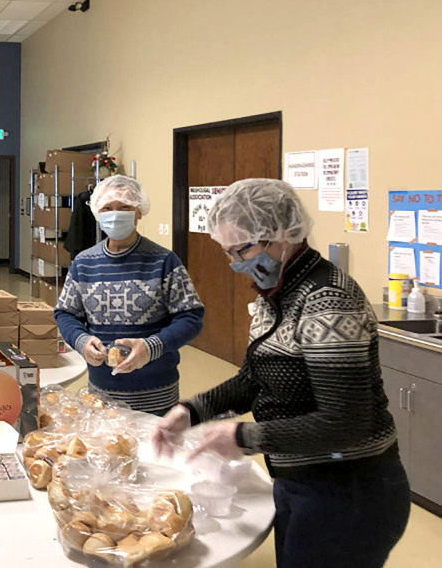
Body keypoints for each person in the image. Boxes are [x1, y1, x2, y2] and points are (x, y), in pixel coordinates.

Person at [153, 178, 410, 567]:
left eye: (241, 250)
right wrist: (190, 411)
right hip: (301, 479)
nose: (236, 263)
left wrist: (244, 436)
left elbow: (347, 421)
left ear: (282, 235)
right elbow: (254, 379)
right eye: (227, 252)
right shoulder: (278, 294)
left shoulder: (327, 299)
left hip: (350, 490)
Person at [54, 175, 205, 414]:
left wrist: (150, 346)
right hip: (101, 396)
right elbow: (65, 313)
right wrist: (81, 341)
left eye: (125, 208)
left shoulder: (164, 261)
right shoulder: (84, 263)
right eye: (108, 208)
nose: (116, 214)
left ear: (139, 212)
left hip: (157, 397)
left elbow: (191, 318)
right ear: (97, 213)